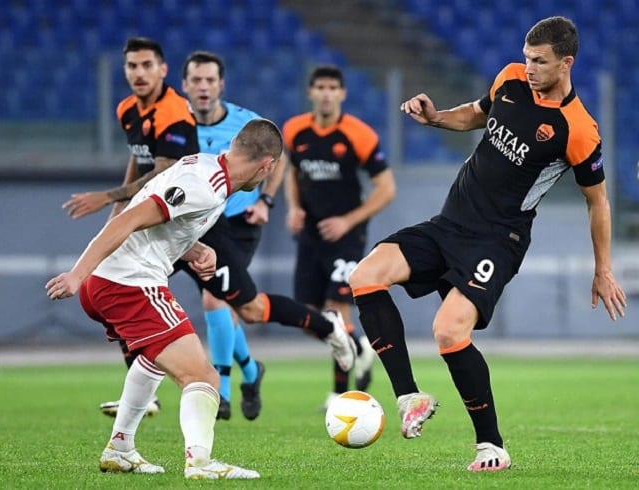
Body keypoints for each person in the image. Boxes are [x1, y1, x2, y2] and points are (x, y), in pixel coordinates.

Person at [347, 16, 627, 472]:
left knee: (448, 331)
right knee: (365, 276)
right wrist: (437, 117)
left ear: (566, 63)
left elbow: (598, 203)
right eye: (526, 57)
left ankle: (491, 445)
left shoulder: (579, 130)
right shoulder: (511, 79)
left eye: (540, 61)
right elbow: (480, 113)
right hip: (448, 223)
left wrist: (604, 269)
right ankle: (409, 397)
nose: (529, 66)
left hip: (498, 241)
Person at [45, 119, 284, 479]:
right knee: (203, 376)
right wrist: (77, 274)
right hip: (126, 282)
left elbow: (163, 224)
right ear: (267, 166)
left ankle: (121, 448)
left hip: (113, 280)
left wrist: (196, 250)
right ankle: (200, 463)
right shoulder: (204, 186)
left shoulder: (204, 166)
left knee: (154, 360)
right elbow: (125, 221)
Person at [62, 37, 199, 417]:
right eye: (131, 66)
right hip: (146, 218)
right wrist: (119, 208)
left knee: (237, 303)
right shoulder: (127, 109)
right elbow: (138, 161)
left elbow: (164, 171)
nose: (138, 73)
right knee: (120, 296)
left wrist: (108, 197)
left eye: (146, 65)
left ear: (163, 69)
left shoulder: (174, 111)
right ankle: (147, 393)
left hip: (183, 219)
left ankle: (232, 376)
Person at [173, 50, 285, 421]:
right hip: (200, 223)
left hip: (239, 223)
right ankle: (251, 372)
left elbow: (279, 158)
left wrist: (266, 200)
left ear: (221, 84)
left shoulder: (245, 123)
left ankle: (220, 391)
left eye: (210, 80)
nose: (203, 87)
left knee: (214, 301)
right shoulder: (175, 125)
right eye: (196, 80)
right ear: (185, 84)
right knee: (226, 305)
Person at [282, 65, 396, 408]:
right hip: (311, 234)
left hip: (346, 237)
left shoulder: (358, 135)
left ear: (343, 94)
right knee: (307, 316)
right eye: (321, 87)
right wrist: (293, 208)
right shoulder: (295, 131)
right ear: (310, 93)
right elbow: (292, 173)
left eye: (333, 87)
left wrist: (348, 221)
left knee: (336, 312)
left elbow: (386, 189)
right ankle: (360, 347)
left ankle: (340, 393)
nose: (327, 93)